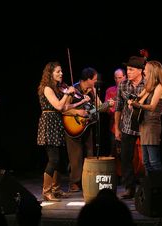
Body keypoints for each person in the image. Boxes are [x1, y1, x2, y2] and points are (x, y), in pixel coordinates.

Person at [37, 61, 90, 201]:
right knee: (53, 159)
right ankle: (46, 191)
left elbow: (65, 107)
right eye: (58, 72)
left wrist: (81, 102)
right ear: (50, 73)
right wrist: (68, 93)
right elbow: (59, 106)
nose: (61, 73)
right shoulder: (47, 88)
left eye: (61, 71)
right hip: (49, 123)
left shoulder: (56, 88)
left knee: (58, 159)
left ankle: (56, 189)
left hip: (56, 123)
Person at [64, 67, 113, 192]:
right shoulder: (73, 90)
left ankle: (88, 179)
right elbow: (63, 108)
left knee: (90, 153)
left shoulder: (92, 90)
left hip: (87, 126)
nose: (96, 81)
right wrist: (77, 112)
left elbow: (101, 108)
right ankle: (74, 182)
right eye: (95, 79)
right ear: (88, 79)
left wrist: (96, 94)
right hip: (73, 125)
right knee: (76, 156)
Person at [128, 60, 162, 174]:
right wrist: (132, 101)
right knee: (146, 161)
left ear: (152, 71)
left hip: (152, 124)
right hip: (144, 123)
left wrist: (136, 104)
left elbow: (151, 107)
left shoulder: (160, 87)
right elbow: (138, 98)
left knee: (153, 161)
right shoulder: (150, 86)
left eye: (146, 69)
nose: (144, 71)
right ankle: (150, 187)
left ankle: (160, 186)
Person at [115, 56, 146, 199]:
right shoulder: (122, 85)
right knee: (125, 158)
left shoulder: (148, 84)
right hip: (127, 126)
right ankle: (129, 188)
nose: (128, 72)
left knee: (146, 159)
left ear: (140, 70)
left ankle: (147, 187)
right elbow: (118, 107)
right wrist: (117, 127)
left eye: (131, 69)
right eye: (127, 69)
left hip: (143, 125)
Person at [105, 68, 126, 157]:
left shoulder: (129, 89)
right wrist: (110, 107)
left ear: (125, 77)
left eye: (120, 78)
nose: (118, 80)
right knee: (114, 151)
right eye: (116, 78)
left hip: (127, 125)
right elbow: (106, 109)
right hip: (114, 125)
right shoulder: (110, 90)